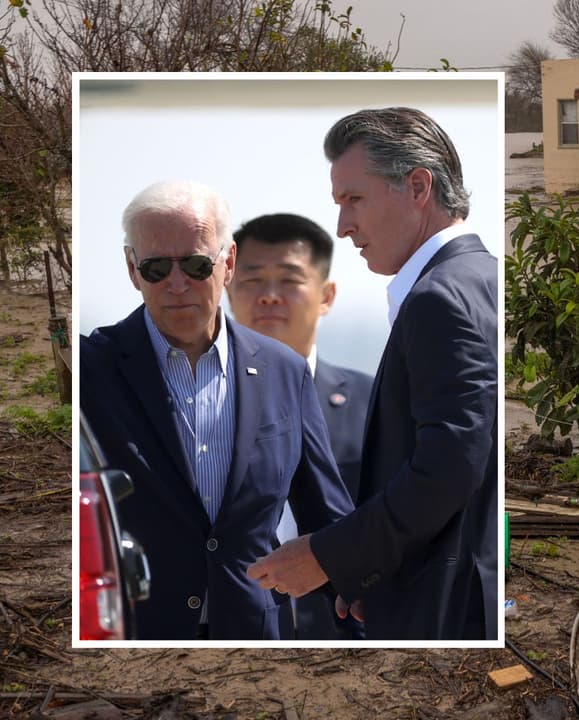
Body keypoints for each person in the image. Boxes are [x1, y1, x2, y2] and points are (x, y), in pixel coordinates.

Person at [248, 107, 499, 640]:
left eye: (353, 200)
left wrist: (326, 557)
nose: (343, 227)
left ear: (416, 187)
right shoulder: (479, 277)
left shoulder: (439, 298)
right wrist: (373, 574)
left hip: (450, 607)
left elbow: (449, 468)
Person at [80, 180, 353, 640]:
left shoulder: (284, 370)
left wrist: (360, 595)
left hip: (256, 636)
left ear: (228, 263)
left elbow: (326, 513)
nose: (178, 283)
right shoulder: (92, 371)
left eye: (195, 263)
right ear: (132, 268)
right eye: (155, 267)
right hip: (138, 637)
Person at [227, 212, 373, 640]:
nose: (270, 297)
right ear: (228, 291)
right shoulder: (198, 409)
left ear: (326, 295)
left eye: (290, 281)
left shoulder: (375, 403)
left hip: (349, 635)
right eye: (252, 280)